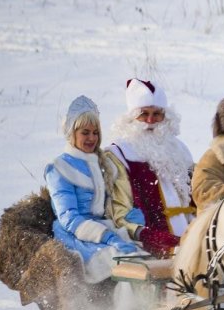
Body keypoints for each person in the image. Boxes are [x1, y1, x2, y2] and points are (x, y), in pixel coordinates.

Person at [44, 95, 143, 284]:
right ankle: (128, 303)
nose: (92, 138)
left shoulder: (102, 163)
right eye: (85, 133)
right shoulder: (59, 168)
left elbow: (112, 204)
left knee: (142, 256)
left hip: (104, 228)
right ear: (72, 132)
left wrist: (131, 218)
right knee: (123, 262)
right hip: (77, 235)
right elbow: (69, 218)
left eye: (95, 133)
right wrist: (108, 237)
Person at [107, 78, 196, 257]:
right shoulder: (119, 154)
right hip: (148, 246)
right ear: (131, 117)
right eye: (143, 114)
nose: (150, 120)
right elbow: (121, 216)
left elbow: (196, 198)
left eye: (157, 114)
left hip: (192, 239)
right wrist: (159, 241)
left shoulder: (180, 149)